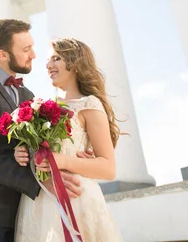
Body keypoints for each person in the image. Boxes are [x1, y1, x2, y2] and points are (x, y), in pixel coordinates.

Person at [0, 20, 91, 242]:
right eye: (25, 49)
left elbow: (38, 148)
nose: (34, 55)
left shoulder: (29, 96)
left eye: (32, 47)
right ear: (3, 54)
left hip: (26, 214)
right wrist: (37, 183)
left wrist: (76, 154)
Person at [14, 38, 123, 241]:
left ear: (74, 63)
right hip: (40, 202)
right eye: (48, 60)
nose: (48, 65)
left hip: (76, 199)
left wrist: (63, 161)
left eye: (56, 58)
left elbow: (108, 168)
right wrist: (22, 153)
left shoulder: (89, 104)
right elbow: (37, 157)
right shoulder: (40, 109)